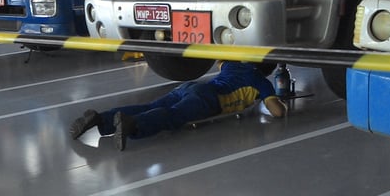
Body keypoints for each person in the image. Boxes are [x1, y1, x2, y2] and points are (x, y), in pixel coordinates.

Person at [70, 61, 287, 151]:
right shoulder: (262, 82)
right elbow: (277, 112)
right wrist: (277, 101)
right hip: (209, 99)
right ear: (267, 71)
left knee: (150, 105)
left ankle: (101, 119)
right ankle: (134, 125)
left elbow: (221, 62)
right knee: (173, 116)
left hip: (190, 86)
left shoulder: (232, 65)